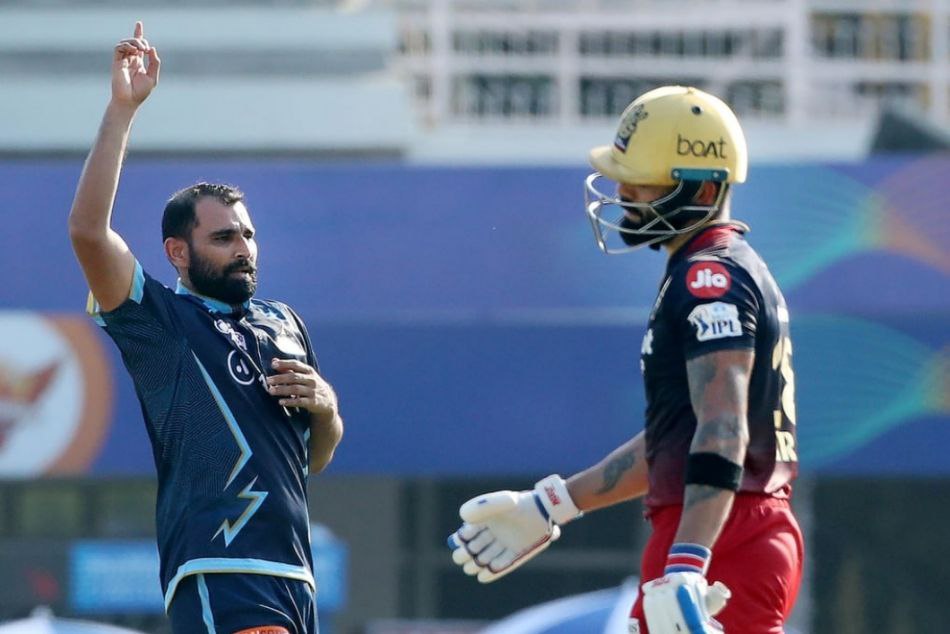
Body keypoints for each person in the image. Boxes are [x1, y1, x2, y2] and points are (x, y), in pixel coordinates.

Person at [448, 86, 802, 633]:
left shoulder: (710, 278)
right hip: (719, 528)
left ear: (704, 189)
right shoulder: (709, 270)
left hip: (722, 534)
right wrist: (554, 504)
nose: (623, 192)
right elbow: (678, 440)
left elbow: (723, 429)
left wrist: (688, 561)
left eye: (642, 180)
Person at [68, 22, 343, 634]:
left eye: (248, 234)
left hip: (297, 579)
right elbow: (87, 233)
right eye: (223, 237)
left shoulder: (284, 322)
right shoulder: (163, 324)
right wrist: (122, 110)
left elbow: (315, 459)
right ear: (178, 252)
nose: (243, 248)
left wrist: (326, 407)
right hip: (222, 570)